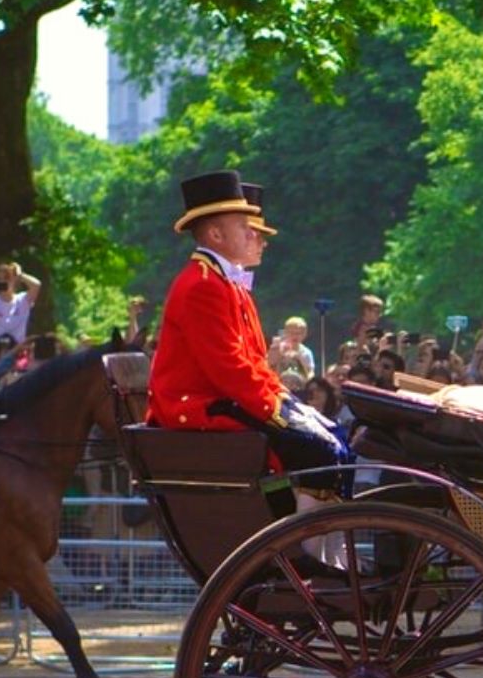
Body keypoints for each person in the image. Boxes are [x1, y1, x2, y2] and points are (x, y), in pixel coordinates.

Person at [146, 170, 350, 491]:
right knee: (317, 450)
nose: (254, 235)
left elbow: (251, 363)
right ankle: (312, 537)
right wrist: (279, 410)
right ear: (215, 234)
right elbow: (229, 369)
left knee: (332, 440)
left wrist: (284, 400)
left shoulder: (220, 282)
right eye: (244, 227)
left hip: (223, 399)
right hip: (200, 406)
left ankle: (313, 534)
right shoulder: (202, 285)